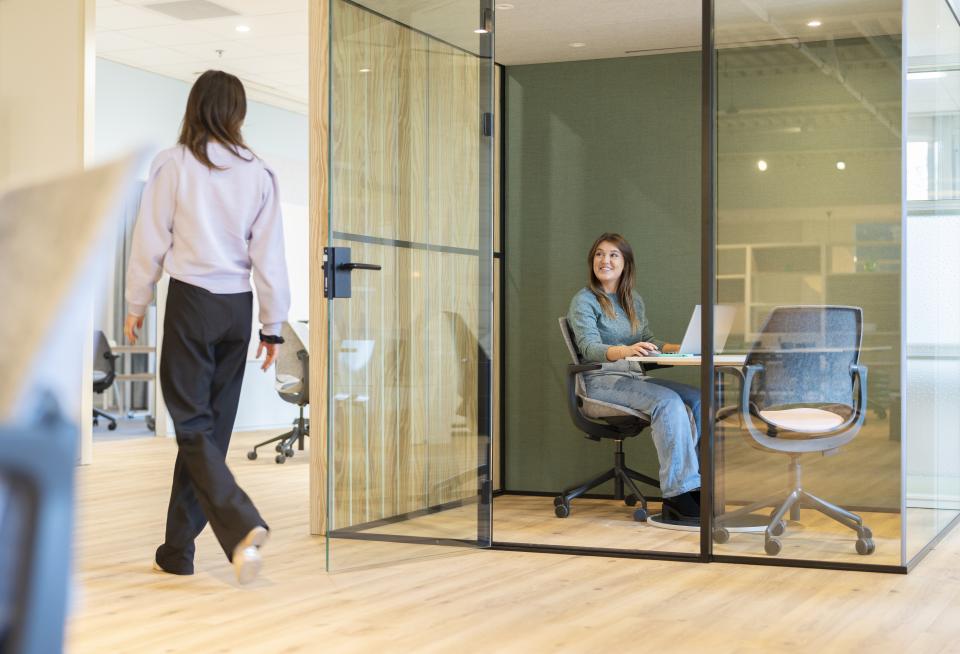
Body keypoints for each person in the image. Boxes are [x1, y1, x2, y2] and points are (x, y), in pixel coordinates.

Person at [123, 70, 290, 583]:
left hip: (192, 303)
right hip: (238, 309)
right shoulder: (259, 172)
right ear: (238, 114)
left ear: (194, 106)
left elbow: (149, 238)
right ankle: (177, 550)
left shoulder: (173, 164)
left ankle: (239, 523)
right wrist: (272, 324)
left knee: (192, 427)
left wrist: (136, 301)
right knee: (209, 433)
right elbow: (270, 255)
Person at [566, 232, 701, 525]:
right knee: (668, 402)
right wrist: (625, 350)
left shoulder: (632, 300)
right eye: (599, 254)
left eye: (614, 254)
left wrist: (683, 348)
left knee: (698, 399)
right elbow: (589, 348)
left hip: (632, 380)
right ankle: (677, 496)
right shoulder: (584, 301)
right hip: (600, 383)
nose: (605, 260)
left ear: (625, 263)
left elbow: (648, 341)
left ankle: (695, 486)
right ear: (592, 261)